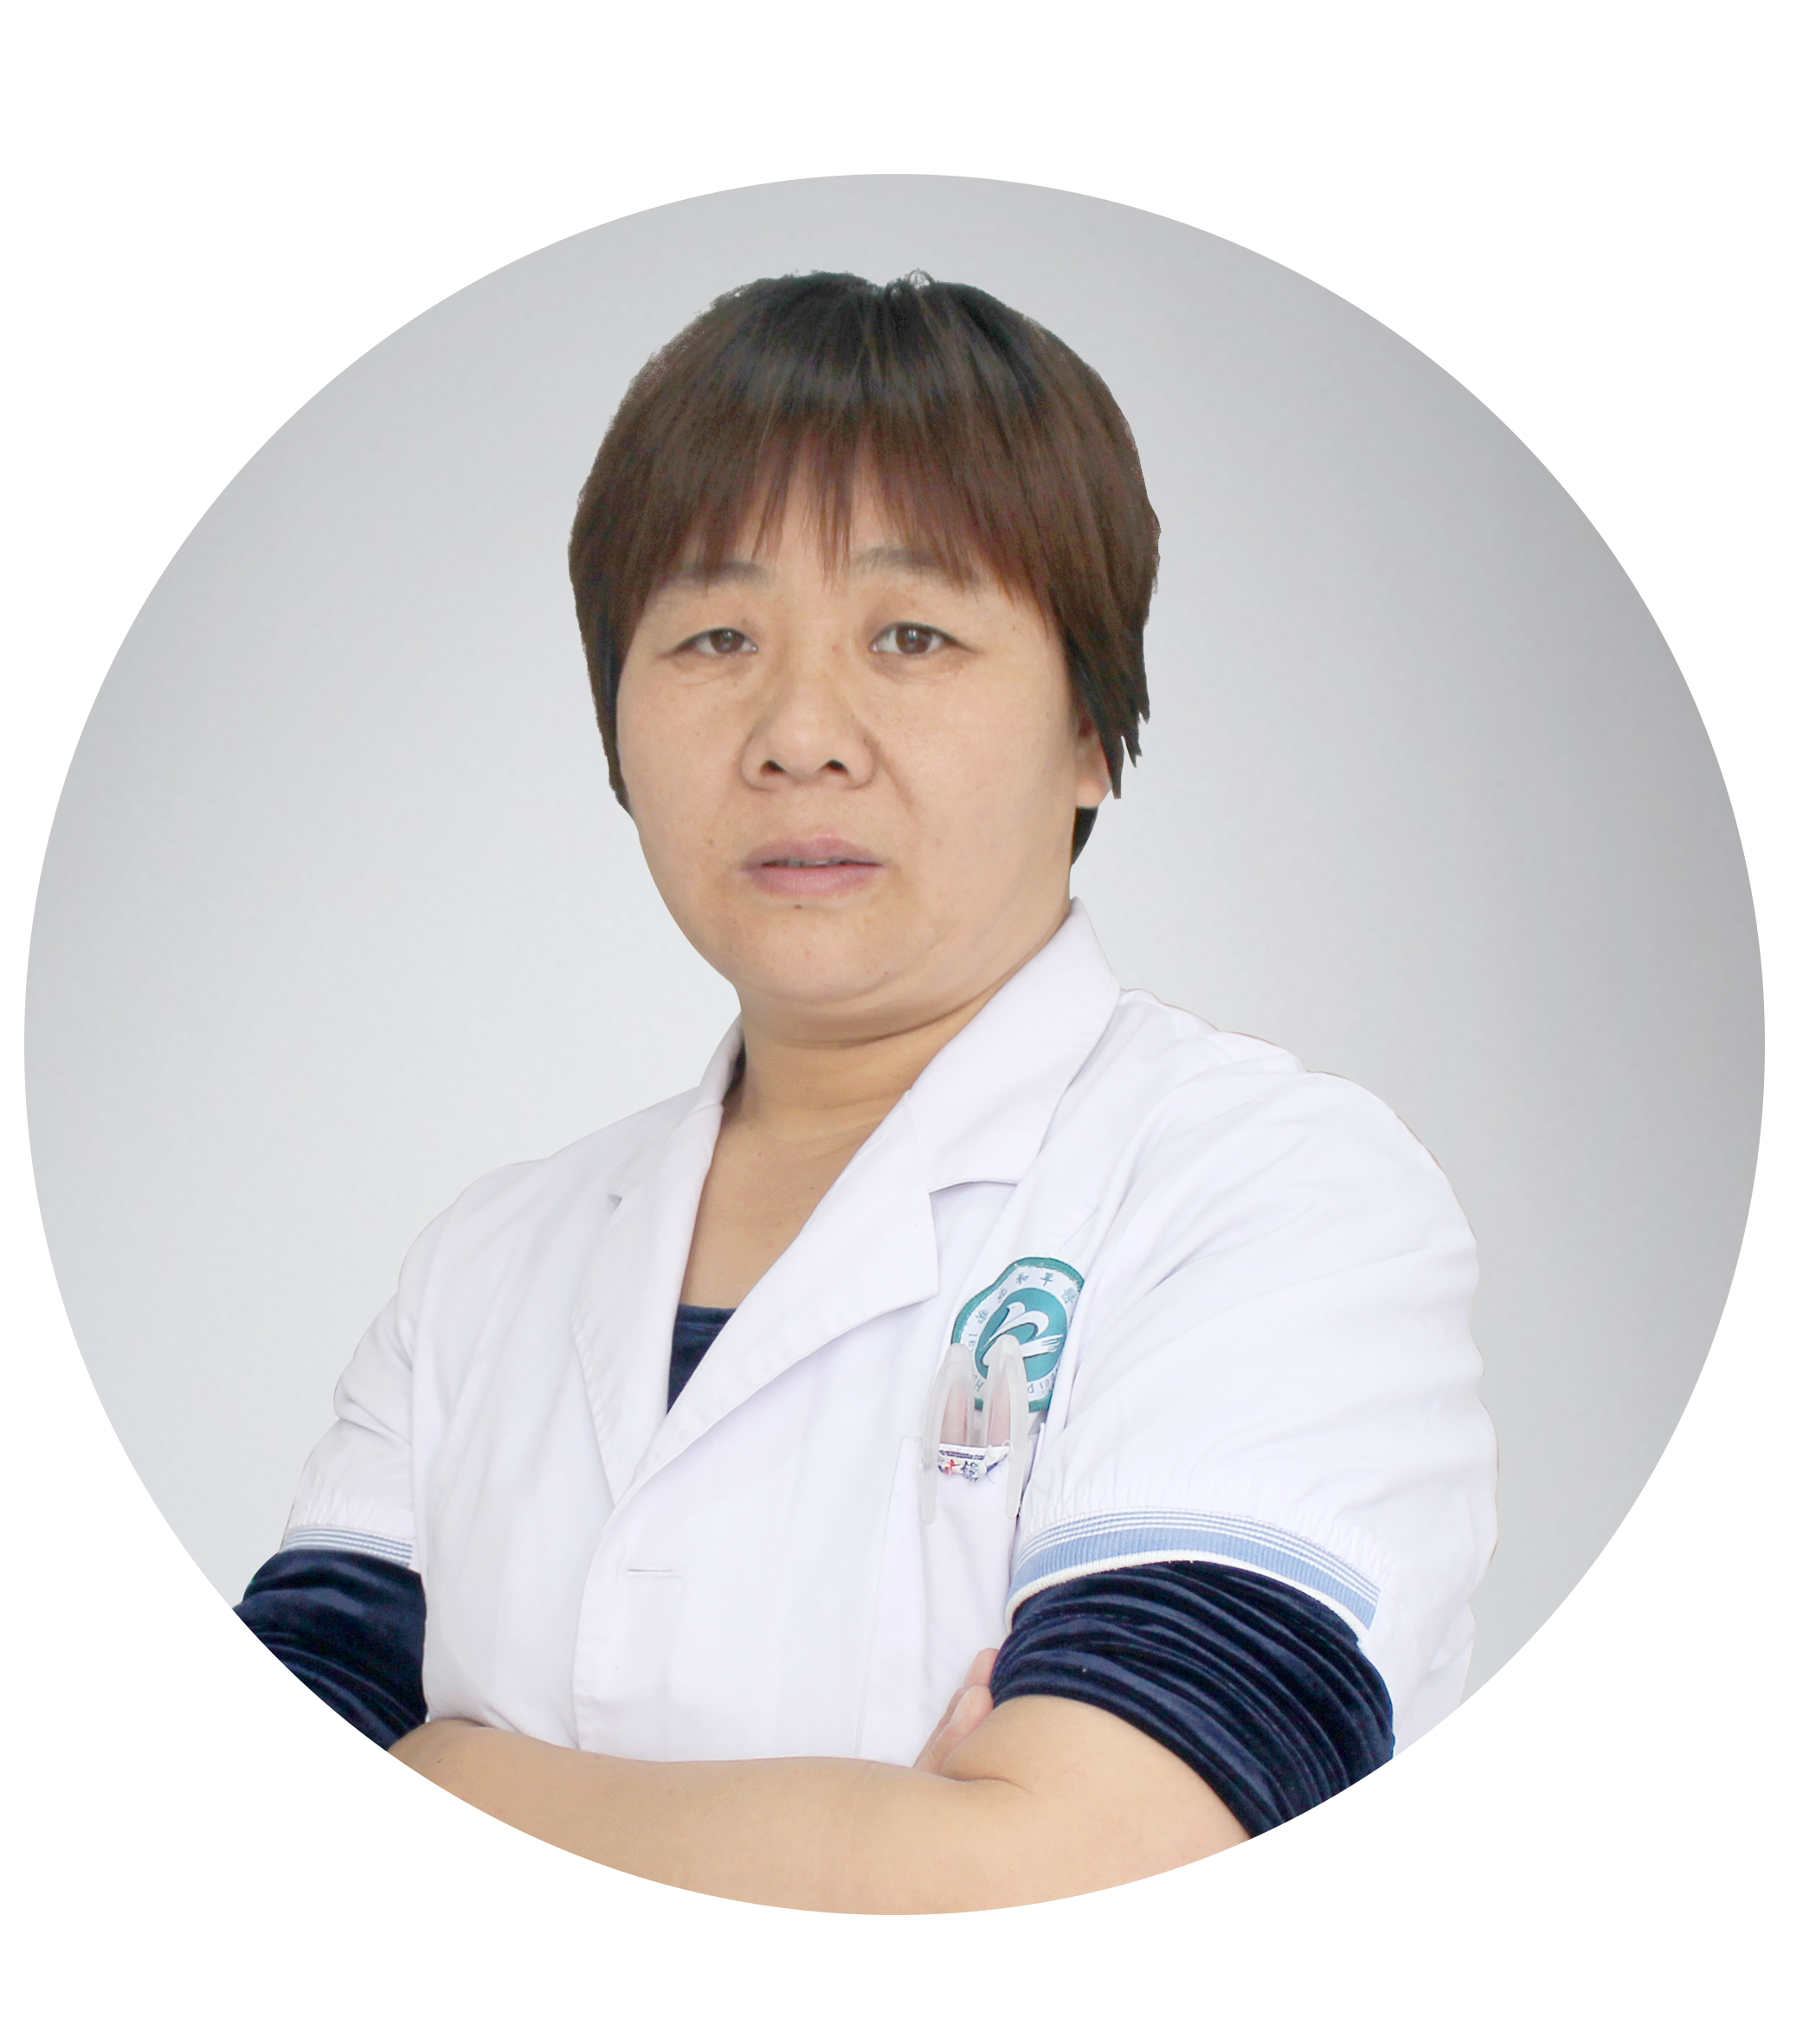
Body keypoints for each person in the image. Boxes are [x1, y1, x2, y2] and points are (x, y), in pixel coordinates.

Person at [177, 271, 1497, 1915]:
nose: (799, 733)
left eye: (911, 635)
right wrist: (877, 1854)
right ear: (614, 725)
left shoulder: (1267, 1199)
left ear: (1092, 729)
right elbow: (254, 1792)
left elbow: (1077, 1904)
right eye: (714, 638)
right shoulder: (486, 1266)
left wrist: (443, 1801)